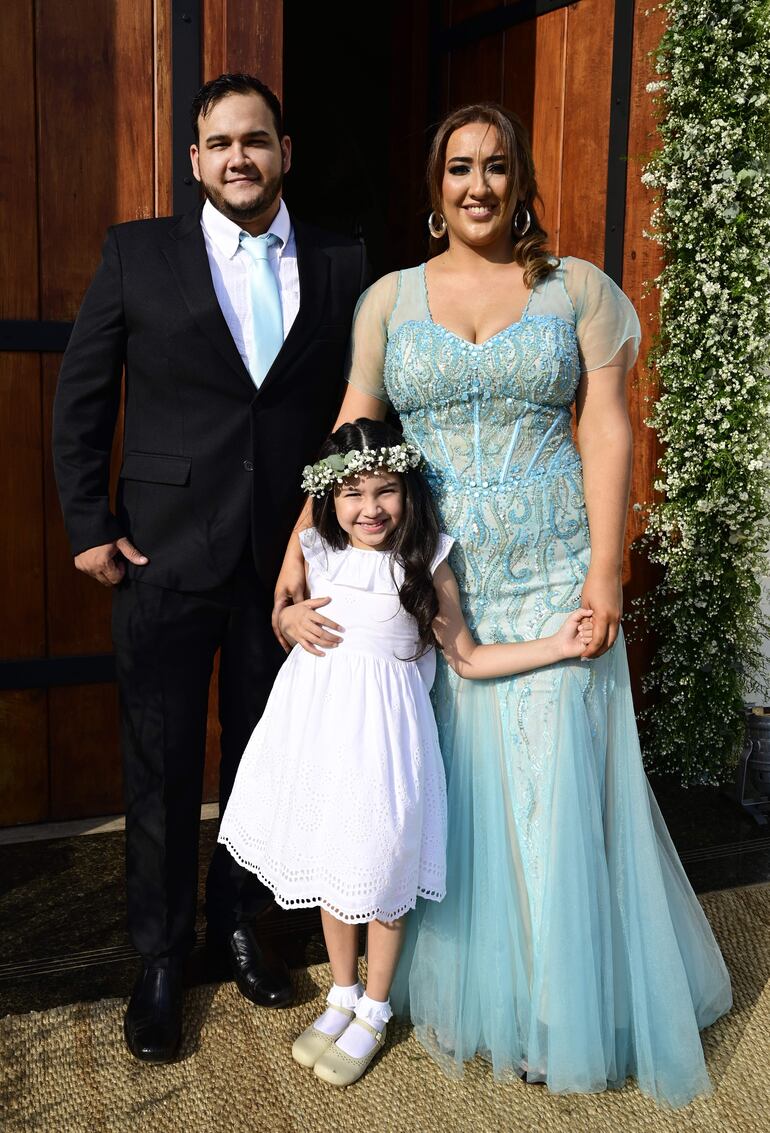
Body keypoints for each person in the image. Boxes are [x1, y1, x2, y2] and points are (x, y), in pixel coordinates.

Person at [272, 104, 732, 1106]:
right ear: (434, 188)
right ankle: (437, 987)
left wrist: (604, 570)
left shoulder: (578, 292)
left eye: (493, 167)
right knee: (446, 785)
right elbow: (354, 426)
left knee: (553, 787)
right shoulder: (389, 300)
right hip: (428, 582)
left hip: (551, 567)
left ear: (519, 181)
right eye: (455, 169)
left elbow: (605, 430)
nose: (475, 185)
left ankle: (558, 1011)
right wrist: (297, 550)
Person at [52, 72, 370, 1064]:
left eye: (256, 140)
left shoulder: (340, 258)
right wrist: (89, 522)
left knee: (264, 757)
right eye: (220, 143)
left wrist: (346, 539)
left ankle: (241, 922)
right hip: (164, 553)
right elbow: (83, 395)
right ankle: (158, 955)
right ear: (195, 160)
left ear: (285, 151)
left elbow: (355, 410)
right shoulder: (135, 252)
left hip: (287, 565)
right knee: (158, 761)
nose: (239, 157)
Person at [219, 418, 594, 1088]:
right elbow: (286, 616)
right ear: (328, 498)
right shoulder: (316, 550)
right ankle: (341, 992)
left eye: (385, 490)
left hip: (386, 747)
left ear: (408, 492)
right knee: (337, 864)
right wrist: (286, 618)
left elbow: (469, 657)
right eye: (352, 493)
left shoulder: (423, 563)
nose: (369, 508)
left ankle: (375, 1004)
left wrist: (557, 646)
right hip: (319, 737)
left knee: (384, 872)